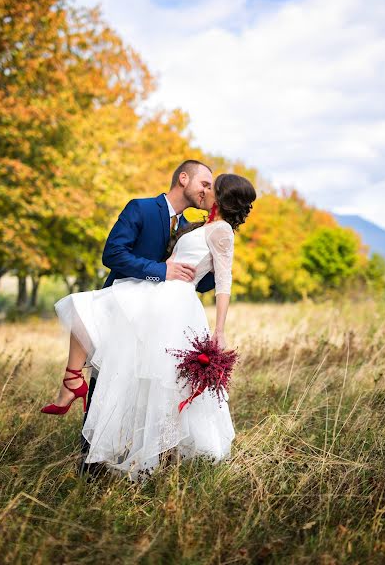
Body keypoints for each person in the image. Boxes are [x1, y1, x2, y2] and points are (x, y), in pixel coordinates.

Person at [41, 169, 257, 480]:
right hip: (152, 296)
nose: (205, 190)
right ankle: (86, 428)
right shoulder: (150, 211)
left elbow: (221, 280)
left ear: (221, 197)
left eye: (212, 187)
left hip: (173, 305)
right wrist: (164, 270)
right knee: (100, 344)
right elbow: (114, 254)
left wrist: (218, 329)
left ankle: (138, 459)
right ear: (184, 178)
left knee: (153, 383)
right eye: (204, 183)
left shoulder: (217, 230)